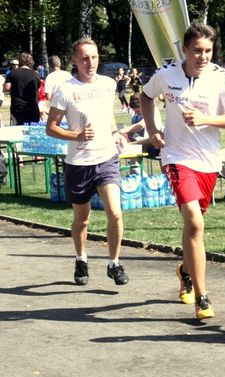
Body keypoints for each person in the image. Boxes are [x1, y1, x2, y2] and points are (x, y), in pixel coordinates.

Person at [140, 22, 225, 320]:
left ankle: (185, 269)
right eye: (197, 50)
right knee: (195, 224)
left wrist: (204, 118)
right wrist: (153, 129)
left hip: (208, 162)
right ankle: (203, 297)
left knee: (193, 228)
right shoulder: (166, 75)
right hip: (176, 158)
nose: (203, 57)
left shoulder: (221, 79)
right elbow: (146, 97)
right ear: (184, 49)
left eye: (208, 51)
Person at [45, 38, 129, 286]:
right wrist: (76, 136)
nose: (90, 62)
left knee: (115, 213)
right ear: (74, 61)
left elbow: (107, 116)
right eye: (84, 58)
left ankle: (114, 263)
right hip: (79, 163)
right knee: (82, 219)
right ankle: (81, 258)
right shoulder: (65, 89)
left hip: (106, 159)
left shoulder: (108, 84)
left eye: (93, 57)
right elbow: (51, 128)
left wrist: (115, 133)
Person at [118, 92, 163, 173]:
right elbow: (132, 132)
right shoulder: (136, 116)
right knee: (132, 156)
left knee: (132, 149)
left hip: (155, 144)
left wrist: (122, 131)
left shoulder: (152, 110)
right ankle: (137, 179)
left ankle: (141, 180)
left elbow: (142, 124)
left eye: (138, 111)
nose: (136, 113)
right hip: (143, 145)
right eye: (135, 112)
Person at [3, 52, 40, 125]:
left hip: (17, 106)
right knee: (32, 130)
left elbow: (6, 88)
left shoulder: (12, 73)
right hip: (32, 106)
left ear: (20, 61)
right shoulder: (36, 75)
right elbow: (38, 91)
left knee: (18, 130)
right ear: (31, 62)